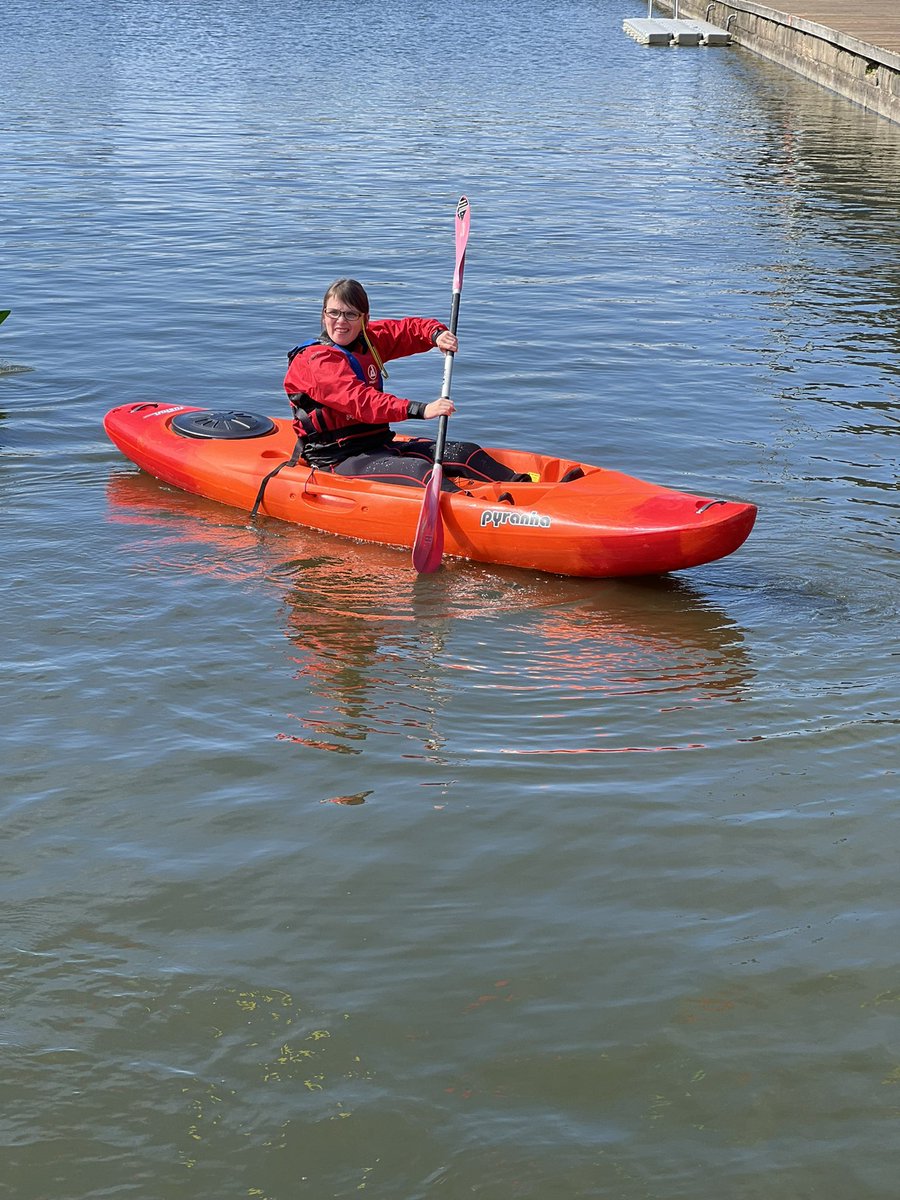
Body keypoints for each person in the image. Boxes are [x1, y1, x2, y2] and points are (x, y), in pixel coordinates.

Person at [283, 278, 534, 490]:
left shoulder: (368, 341)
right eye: (333, 313)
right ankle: (479, 511)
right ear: (324, 314)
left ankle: (526, 490)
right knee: (421, 472)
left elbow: (407, 330)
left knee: (465, 453)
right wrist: (421, 410)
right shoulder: (316, 360)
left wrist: (437, 335)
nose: (341, 321)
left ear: (364, 318)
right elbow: (360, 401)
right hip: (338, 457)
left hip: (378, 444)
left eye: (350, 314)